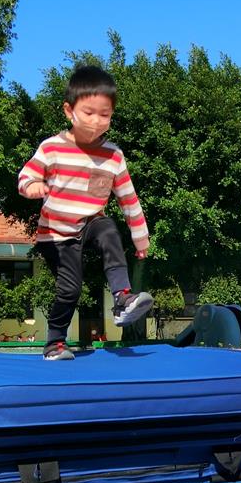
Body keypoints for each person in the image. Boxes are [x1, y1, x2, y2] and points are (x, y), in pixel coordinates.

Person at [18, 65, 153, 360]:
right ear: (69, 111)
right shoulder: (52, 148)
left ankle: (122, 298)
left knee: (108, 228)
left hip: (89, 223)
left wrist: (140, 238)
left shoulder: (113, 155)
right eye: (89, 113)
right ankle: (55, 343)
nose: (96, 121)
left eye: (105, 115)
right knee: (71, 289)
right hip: (55, 233)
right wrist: (33, 186)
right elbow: (26, 176)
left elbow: (129, 199)